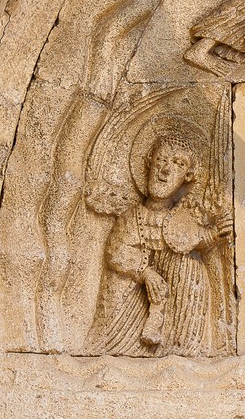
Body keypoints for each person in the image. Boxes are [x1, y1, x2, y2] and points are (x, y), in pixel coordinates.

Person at [87, 124, 234, 356]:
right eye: (161, 160)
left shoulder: (183, 216)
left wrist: (217, 232)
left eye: (177, 164)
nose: (165, 171)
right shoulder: (132, 216)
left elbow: (195, 239)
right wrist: (145, 273)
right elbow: (115, 250)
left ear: (188, 176)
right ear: (148, 162)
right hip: (130, 303)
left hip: (181, 304)